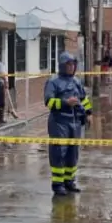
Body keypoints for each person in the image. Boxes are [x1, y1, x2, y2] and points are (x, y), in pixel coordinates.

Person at [45, 51, 91, 196]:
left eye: (73, 65)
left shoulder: (76, 81)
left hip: (75, 122)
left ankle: (69, 181)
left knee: (73, 153)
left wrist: (88, 113)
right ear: (62, 66)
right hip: (59, 122)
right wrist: (66, 102)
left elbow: (83, 99)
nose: (71, 67)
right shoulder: (53, 82)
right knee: (59, 152)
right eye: (68, 65)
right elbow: (49, 102)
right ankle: (58, 184)